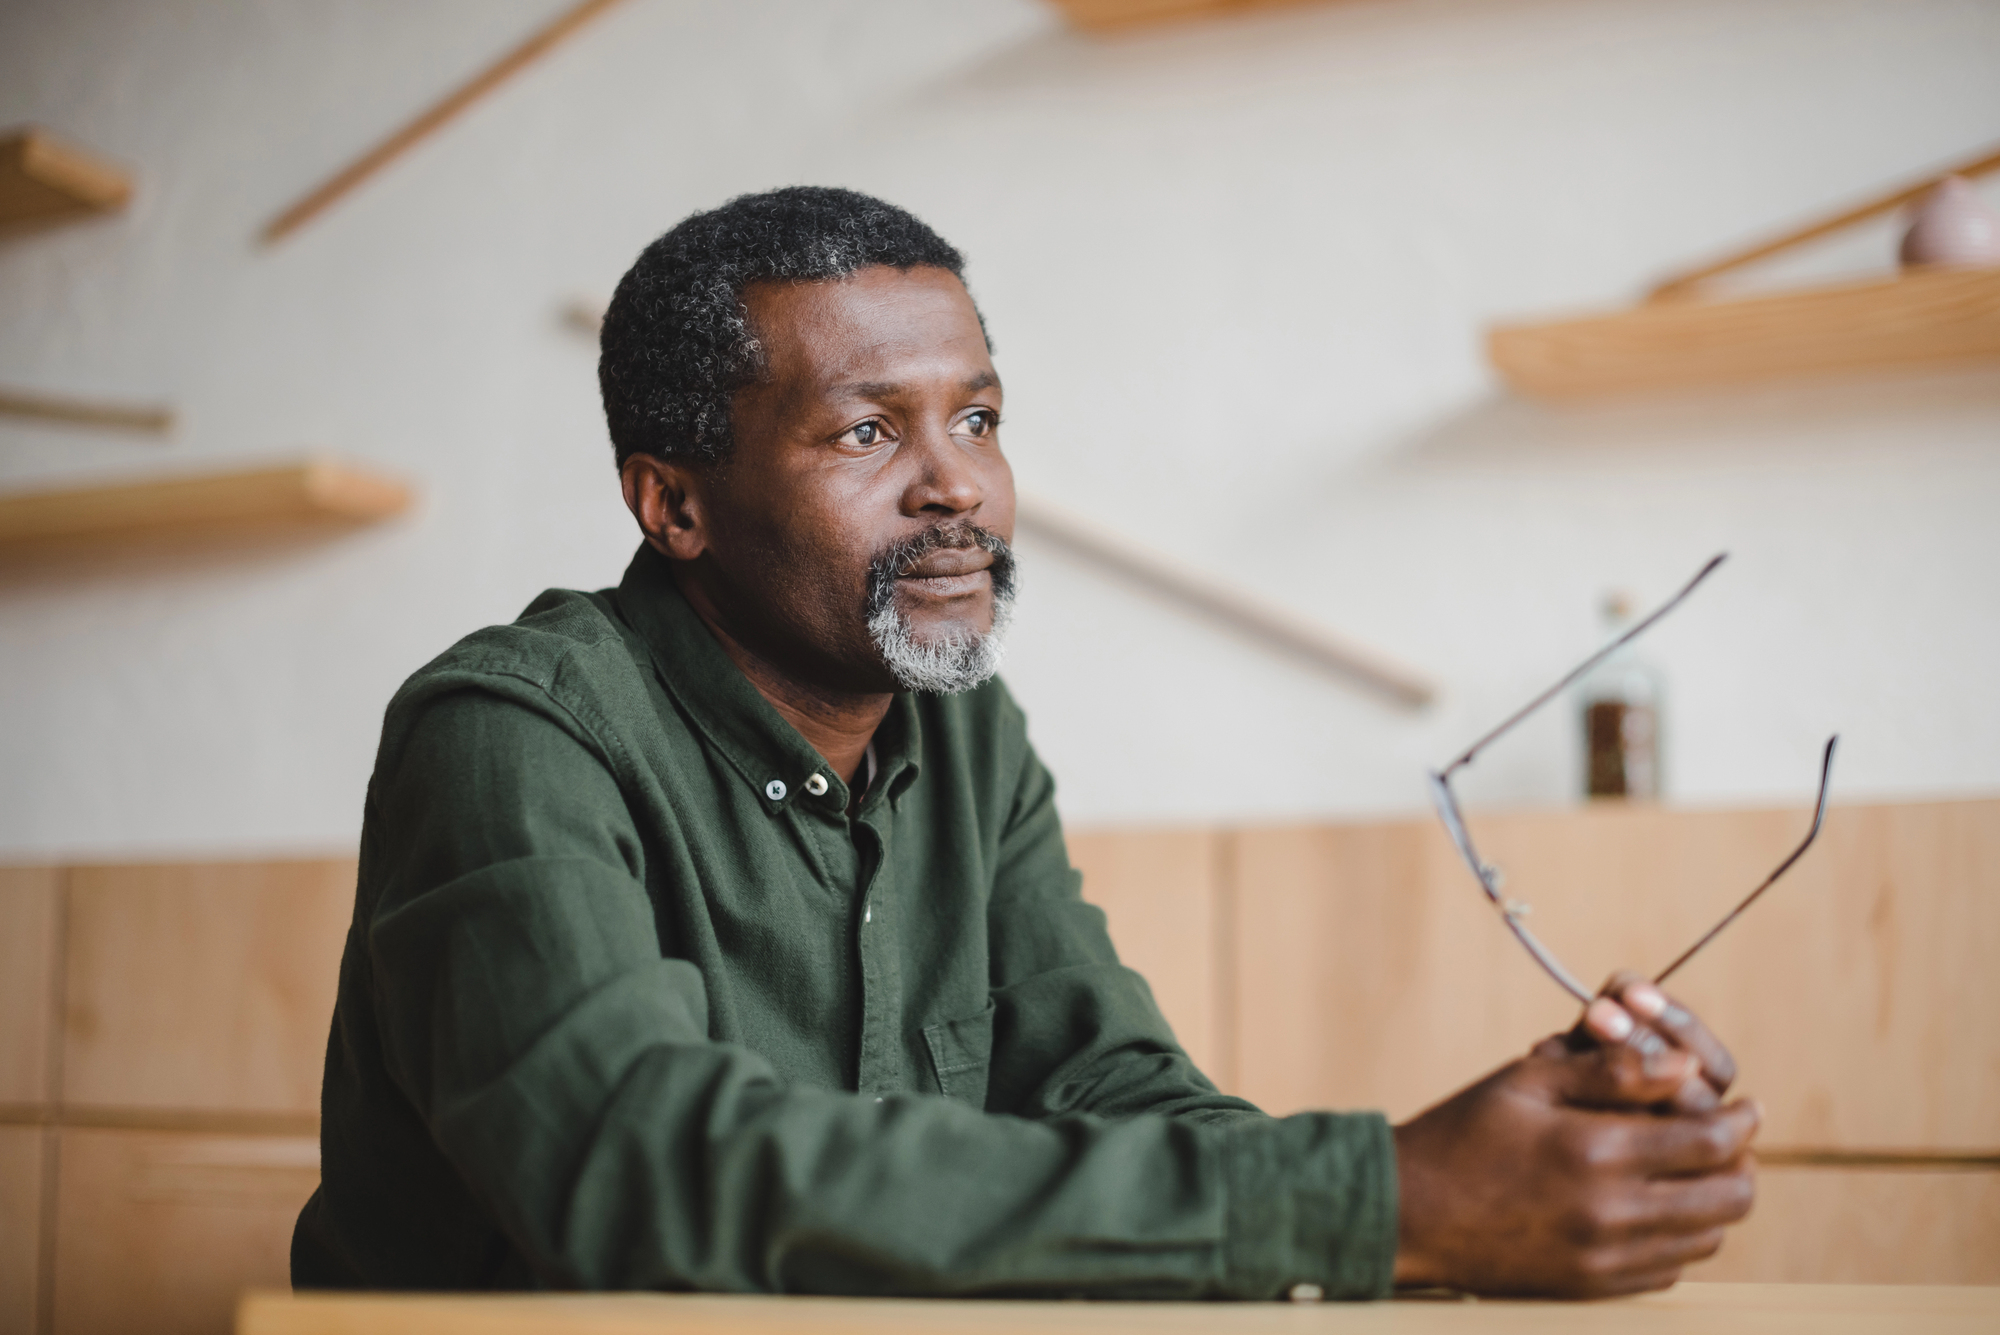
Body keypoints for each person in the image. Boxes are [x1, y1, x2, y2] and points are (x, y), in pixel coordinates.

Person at [292, 187, 1757, 1300]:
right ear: (672, 505)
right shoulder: (509, 733)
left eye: (978, 418)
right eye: (870, 433)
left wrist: (1490, 1183)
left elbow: (1113, 1089)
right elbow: (642, 1171)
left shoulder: (964, 732)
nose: (961, 491)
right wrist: (1380, 1200)